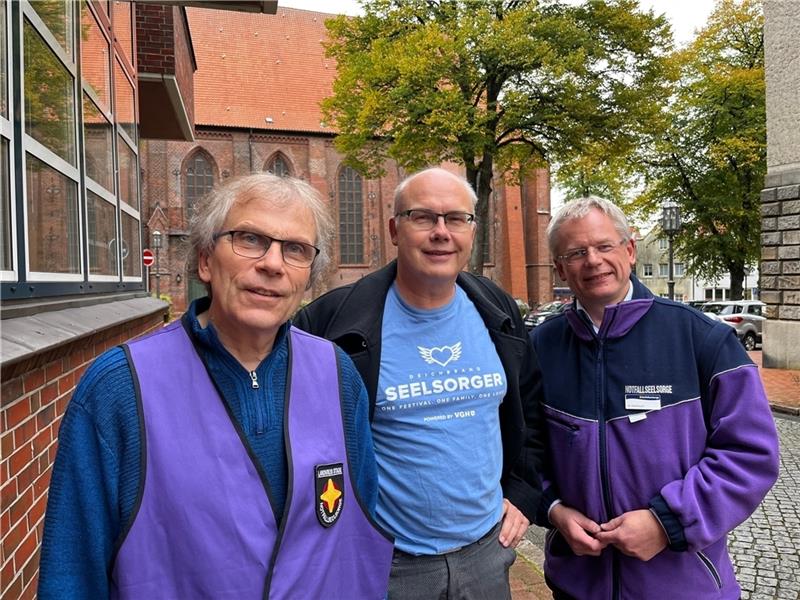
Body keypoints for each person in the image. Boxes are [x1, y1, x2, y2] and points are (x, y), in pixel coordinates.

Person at [38, 173, 393, 599]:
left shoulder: (337, 375)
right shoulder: (121, 388)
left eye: (295, 249)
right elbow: (72, 574)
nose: (273, 264)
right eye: (249, 239)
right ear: (205, 260)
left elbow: (358, 529)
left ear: (308, 277)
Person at [294, 167, 545, 599]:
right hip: (390, 565)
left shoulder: (496, 310)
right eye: (423, 217)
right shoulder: (332, 322)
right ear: (395, 229)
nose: (441, 232)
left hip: (486, 555)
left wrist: (522, 493)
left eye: (456, 219)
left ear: (472, 230)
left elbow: (531, 406)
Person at [530, 196, 779, 599]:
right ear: (559, 268)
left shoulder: (702, 339)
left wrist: (667, 523)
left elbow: (750, 454)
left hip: (683, 586)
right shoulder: (540, 348)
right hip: (577, 585)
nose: (592, 260)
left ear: (629, 250)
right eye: (576, 253)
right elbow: (525, 449)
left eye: (604, 246)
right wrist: (554, 509)